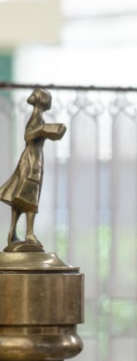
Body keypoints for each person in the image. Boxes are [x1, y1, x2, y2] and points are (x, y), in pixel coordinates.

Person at [2, 88, 67, 251]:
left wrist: (49, 131)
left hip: (29, 159)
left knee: (20, 194)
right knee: (30, 195)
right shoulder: (37, 118)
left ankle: (13, 232)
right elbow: (29, 135)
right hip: (32, 161)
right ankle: (29, 233)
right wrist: (44, 130)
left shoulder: (37, 118)